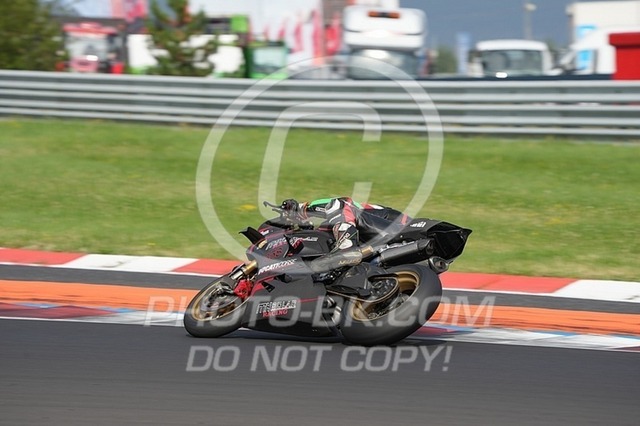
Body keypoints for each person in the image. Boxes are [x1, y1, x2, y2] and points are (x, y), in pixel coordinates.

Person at [279, 197, 412, 251]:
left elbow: (342, 203)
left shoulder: (350, 210)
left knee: (339, 206)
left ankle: (347, 246)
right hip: (383, 243)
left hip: (399, 226)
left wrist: (300, 209)